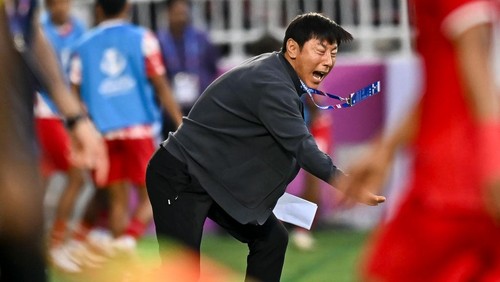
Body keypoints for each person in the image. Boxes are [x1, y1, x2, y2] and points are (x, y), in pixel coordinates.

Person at [146, 12, 386, 282]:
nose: (328, 61)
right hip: (179, 176)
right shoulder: (273, 83)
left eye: (333, 53)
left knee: (272, 239)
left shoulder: (280, 75)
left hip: (213, 179)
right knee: (182, 274)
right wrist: (348, 183)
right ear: (292, 48)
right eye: (321, 51)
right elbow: (303, 148)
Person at [336, 0, 500, 281]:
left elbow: (478, 76)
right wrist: (385, 149)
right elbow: (456, 81)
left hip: (452, 192)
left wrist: (493, 162)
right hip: (465, 186)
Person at [0, 0, 107, 280]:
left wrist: (74, 115)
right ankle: (58, 243)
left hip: (26, 135)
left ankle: (57, 243)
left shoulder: (44, 19)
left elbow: (28, 32)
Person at [67, 0, 183, 259]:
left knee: (117, 200)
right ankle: (128, 240)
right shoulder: (143, 38)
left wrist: (80, 127)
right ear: (128, 7)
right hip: (138, 129)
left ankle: (120, 262)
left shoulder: (82, 46)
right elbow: (161, 84)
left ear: (97, 10)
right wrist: (179, 120)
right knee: (153, 196)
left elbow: (72, 91)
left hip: (103, 131)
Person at [35, 0, 88, 264]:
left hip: (64, 114)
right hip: (46, 112)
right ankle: (54, 245)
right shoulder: (39, 29)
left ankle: (48, 243)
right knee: (76, 176)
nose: (64, 6)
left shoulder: (78, 28)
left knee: (45, 181)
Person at [156, 0, 219, 139]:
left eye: (184, 13)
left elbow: (212, 67)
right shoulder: (159, 41)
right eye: (177, 13)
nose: (181, 18)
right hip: (170, 110)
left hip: (199, 105)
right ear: (168, 14)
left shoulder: (201, 39)